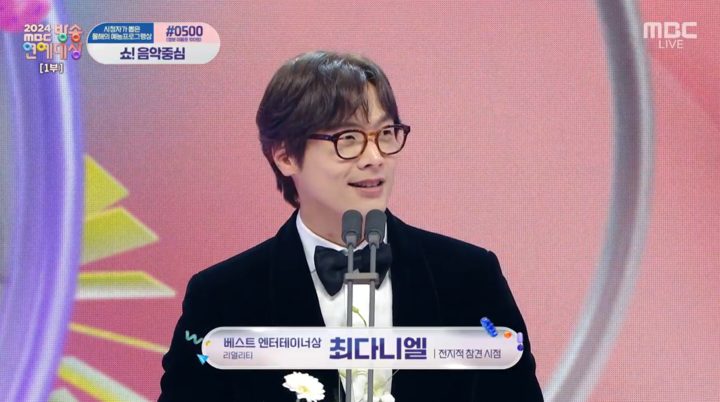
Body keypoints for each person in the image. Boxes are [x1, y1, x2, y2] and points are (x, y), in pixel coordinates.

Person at [159, 50, 543, 401]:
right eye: (348, 138)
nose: (375, 157)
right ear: (285, 156)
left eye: (385, 134)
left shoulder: (469, 277)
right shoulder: (223, 297)